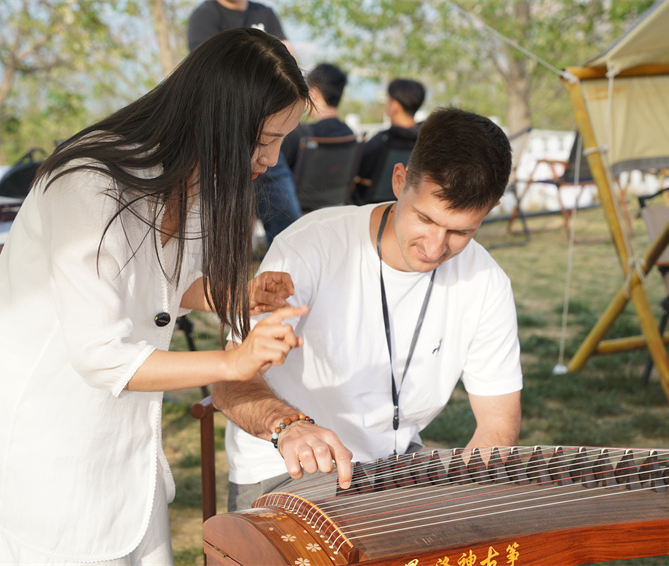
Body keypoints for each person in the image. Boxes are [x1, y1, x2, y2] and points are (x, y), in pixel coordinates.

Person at [0, 28, 309, 565]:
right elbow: (101, 355)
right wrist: (235, 362)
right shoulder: (88, 183)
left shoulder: (196, 180)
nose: (270, 159)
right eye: (261, 140)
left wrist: (239, 293)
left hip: (117, 443)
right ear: (211, 117)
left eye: (281, 140)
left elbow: (160, 285)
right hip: (41, 443)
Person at [213, 106, 523, 512]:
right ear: (399, 182)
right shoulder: (311, 246)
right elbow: (229, 381)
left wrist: (456, 502)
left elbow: (498, 424)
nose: (434, 248)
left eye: (460, 232)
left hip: (394, 467)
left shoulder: (487, 282)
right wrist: (288, 428)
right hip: (286, 466)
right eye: (425, 219)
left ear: (491, 208)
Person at [188, 0, 301, 246]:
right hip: (227, 136)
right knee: (221, 232)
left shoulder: (265, 12)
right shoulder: (205, 16)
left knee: (288, 223)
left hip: (268, 129)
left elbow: (286, 58)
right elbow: (209, 72)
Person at [351, 78, 427, 204]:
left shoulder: (382, 140)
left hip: (374, 206)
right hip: (408, 204)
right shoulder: (426, 139)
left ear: (395, 106)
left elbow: (358, 168)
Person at [280, 62, 355, 171]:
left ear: (314, 93)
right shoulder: (349, 135)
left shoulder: (300, 135)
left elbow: (274, 175)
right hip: (337, 189)